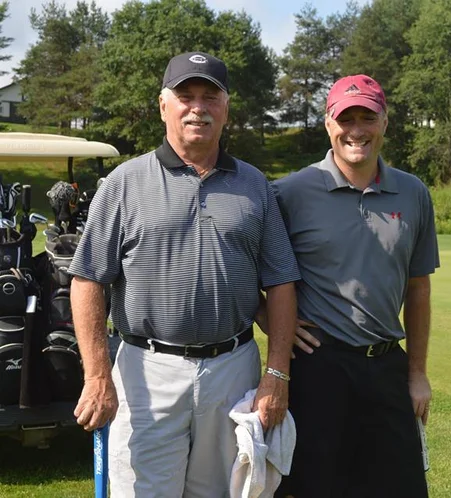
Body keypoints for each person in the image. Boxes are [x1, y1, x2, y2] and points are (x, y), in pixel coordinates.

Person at [69, 51, 299, 498]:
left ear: (226, 109)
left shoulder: (255, 185)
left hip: (233, 369)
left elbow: (281, 283)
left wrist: (278, 374)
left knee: (225, 492)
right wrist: (98, 375)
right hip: (146, 369)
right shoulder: (124, 182)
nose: (198, 107)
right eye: (186, 96)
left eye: (210, 97)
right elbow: (87, 280)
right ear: (163, 106)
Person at [265, 74, 440, 498]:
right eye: (346, 118)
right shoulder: (290, 192)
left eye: (367, 117)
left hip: (386, 366)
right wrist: (268, 322)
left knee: (401, 487)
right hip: (319, 366)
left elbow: (418, 288)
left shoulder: (412, 192)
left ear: (384, 123)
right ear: (328, 123)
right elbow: (252, 272)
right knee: (317, 486)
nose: (356, 130)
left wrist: (417, 374)